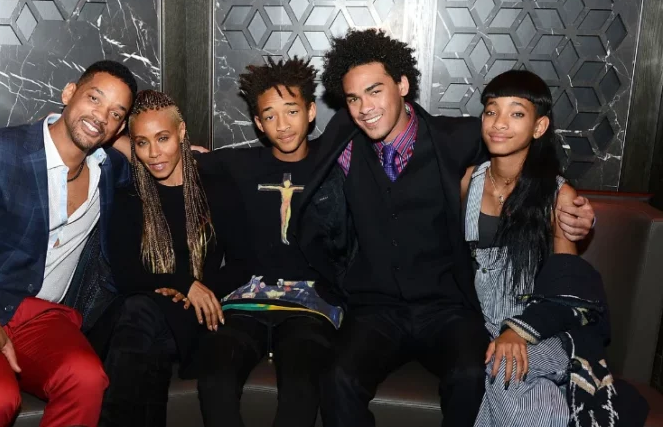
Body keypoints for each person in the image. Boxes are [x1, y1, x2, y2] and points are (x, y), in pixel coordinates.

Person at [296, 29, 596, 427]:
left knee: (471, 376)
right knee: (337, 380)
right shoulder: (344, 144)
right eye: (353, 98)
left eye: (374, 91)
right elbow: (290, 153)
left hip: (448, 307)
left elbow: (525, 156)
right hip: (375, 309)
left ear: (402, 85)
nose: (364, 107)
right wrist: (202, 161)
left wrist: (573, 206)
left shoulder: (459, 139)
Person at [0, 60, 137, 427]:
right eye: (94, 98)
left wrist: (178, 150)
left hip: (41, 317)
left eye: (115, 113)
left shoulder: (111, 169)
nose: (101, 116)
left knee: (87, 378)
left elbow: (156, 156)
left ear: (119, 127)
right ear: (69, 93)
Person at [463, 70, 647, 427]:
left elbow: (569, 292)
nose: (499, 123)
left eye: (516, 113)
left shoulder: (558, 195)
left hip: (548, 331)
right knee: (505, 371)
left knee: (504, 370)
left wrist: (517, 332)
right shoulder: (468, 181)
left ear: (539, 126)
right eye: (490, 111)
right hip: (487, 330)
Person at [193, 57, 340, 427]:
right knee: (215, 380)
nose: (282, 124)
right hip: (247, 298)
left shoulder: (336, 160)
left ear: (309, 112)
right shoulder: (240, 165)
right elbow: (169, 158)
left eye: (291, 111)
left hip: (312, 302)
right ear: (258, 123)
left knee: (303, 387)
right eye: (269, 116)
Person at [89, 90, 249, 426]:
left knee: (139, 318)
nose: (153, 153)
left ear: (181, 133)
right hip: (146, 314)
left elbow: (242, 262)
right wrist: (182, 283)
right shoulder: (130, 195)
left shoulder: (216, 186)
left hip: (193, 317)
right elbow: (126, 274)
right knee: (142, 318)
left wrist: (200, 291)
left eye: (162, 138)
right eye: (142, 142)